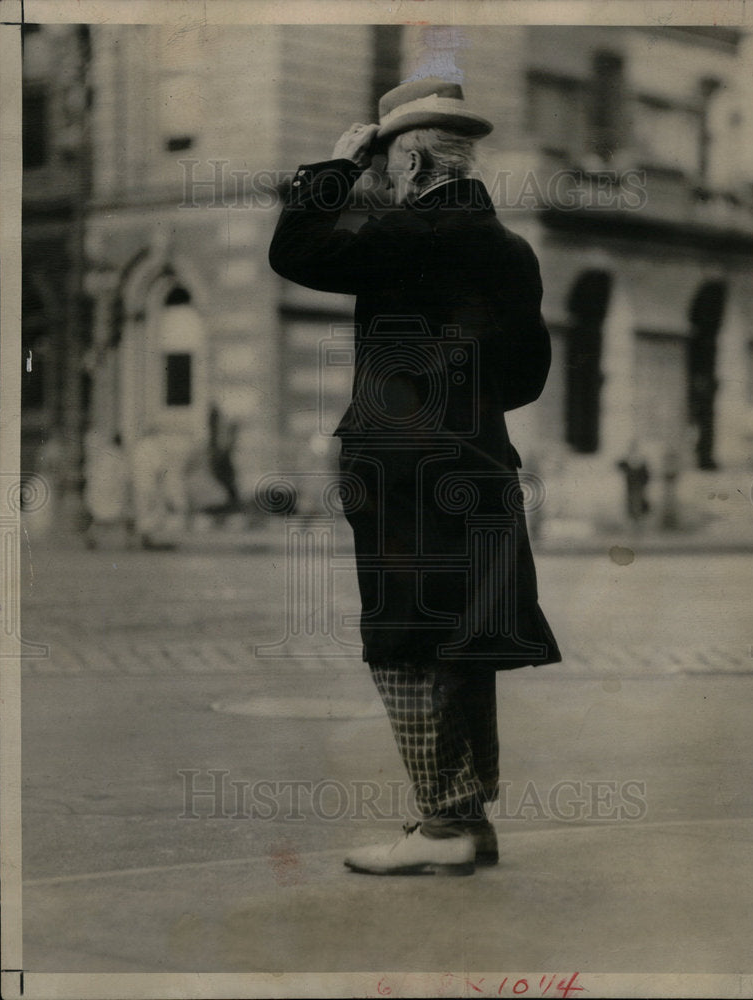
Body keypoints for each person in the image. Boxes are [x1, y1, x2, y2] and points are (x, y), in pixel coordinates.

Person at [270, 77, 561, 876]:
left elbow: (291, 251)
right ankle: (468, 819)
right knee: (460, 636)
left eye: (389, 166)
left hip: (402, 470)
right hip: (478, 462)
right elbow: (527, 376)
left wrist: (332, 166)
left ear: (413, 159)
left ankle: (441, 827)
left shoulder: (404, 232)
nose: (384, 181)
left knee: (402, 640)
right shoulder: (508, 248)